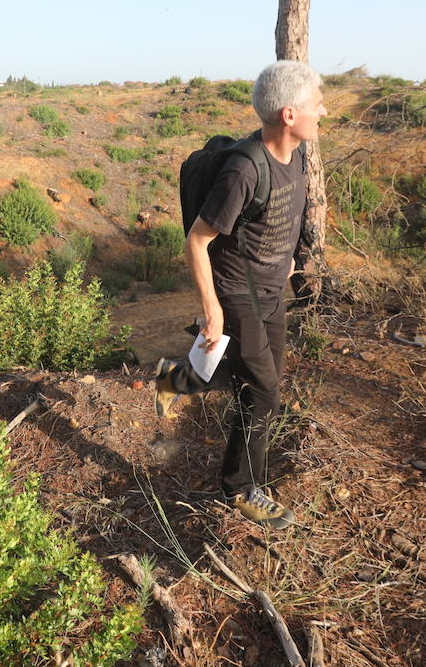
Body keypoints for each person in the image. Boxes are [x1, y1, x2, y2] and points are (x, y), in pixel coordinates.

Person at [154, 61, 326, 529]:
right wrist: (213, 311)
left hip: (271, 290)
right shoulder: (244, 169)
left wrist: (288, 258)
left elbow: (283, 215)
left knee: (257, 376)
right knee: (264, 393)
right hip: (239, 295)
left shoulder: (297, 156)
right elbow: (197, 240)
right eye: (316, 104)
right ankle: (242, 488)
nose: (322, 111)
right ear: (289, 114)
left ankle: (175, 380)